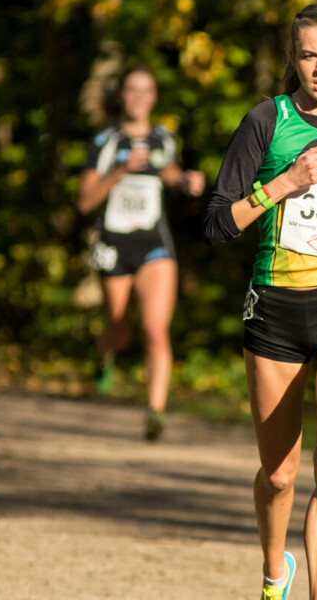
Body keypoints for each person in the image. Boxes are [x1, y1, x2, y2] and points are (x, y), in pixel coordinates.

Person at [203, 5, 317, 600]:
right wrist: (283, 184)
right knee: (281, 473)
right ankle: (272, 573)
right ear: (293, 58)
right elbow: (215, 225)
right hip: (275, 307)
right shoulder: (267, 120)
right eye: (309, 55)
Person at [77, 64, 205, 441]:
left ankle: (155, 411)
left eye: (145, 90)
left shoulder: (163, 139)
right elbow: (85, 202)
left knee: (154, 328)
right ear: (121, 96)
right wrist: (119, 171)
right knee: (119, 328)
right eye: (131, 90)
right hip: (113, 244)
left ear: (153, 97)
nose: (137, 97)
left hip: (153, 243)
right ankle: (104, 354)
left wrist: (186, 181)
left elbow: (168, 172)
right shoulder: (105, 142)